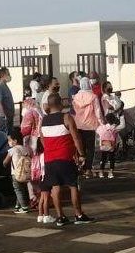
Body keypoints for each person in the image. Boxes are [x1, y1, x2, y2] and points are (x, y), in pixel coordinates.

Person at [40, 94, 93, 226]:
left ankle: (60, 217)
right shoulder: (66, 117)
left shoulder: (44, 120)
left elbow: (42, 139)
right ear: (60, 103)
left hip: (49, 159)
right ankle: (78, 214)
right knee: (73, 185)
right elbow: (76, 137)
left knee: (55, 187)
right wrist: (81, 154)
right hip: (65, 157)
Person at [71, 77, 104, 177]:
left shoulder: (75, 97)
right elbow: (98, 112)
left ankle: (79, 167)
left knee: (80, 147)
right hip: (90, 125)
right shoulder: (93, 97)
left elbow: (73, 112)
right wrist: (102, 123)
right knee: (90, 148)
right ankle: (88, 169)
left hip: (78, 124)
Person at [4, 130, 32, 214]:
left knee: (17, 190)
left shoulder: (12, 150)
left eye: (9, 140)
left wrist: (4, 165)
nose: (9, 142)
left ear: (15, 141)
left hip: (15, 174)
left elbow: (5, 161)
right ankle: (17, 206)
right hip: (25, 174)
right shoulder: (25, 149)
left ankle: (24, 207)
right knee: (21, 190)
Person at [96, 113, 120, 179]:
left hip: (103, 145)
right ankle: (110, 172)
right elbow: (117, 137)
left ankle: (101, 172)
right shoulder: (114, 128)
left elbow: (98, 134)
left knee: (103, 158)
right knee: (112, 159)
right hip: (111, 145)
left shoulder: (101, 127)